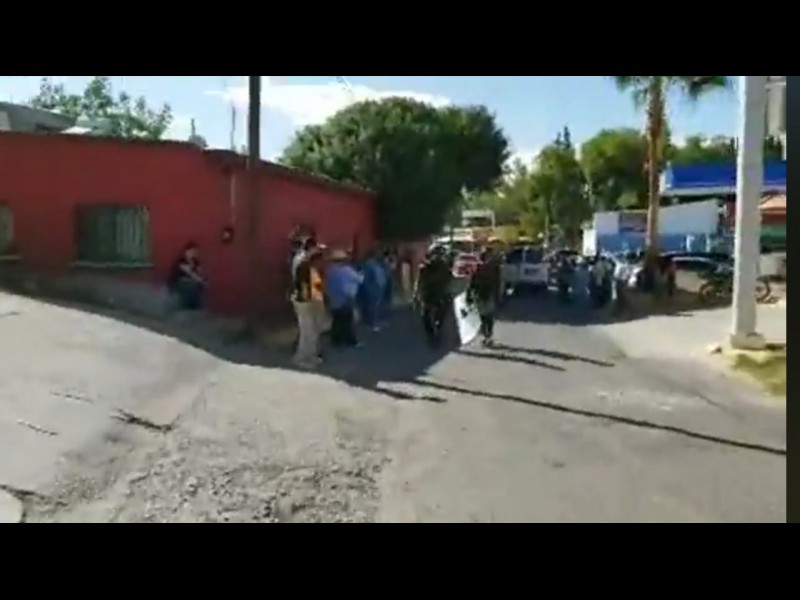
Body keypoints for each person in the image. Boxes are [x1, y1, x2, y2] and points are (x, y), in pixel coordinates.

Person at [291, 244, 324, 368]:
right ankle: (301, 359)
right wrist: (312, 302)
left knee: (311, 332)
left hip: (305, 301)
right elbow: (304, 289)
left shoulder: (307, 267)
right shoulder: (304, 268)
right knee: (307, 332)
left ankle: (310, 356)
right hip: (304, 303)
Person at [414, 245, 453, 347]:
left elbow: (419, 283)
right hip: (436, 296)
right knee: (434, 317)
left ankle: (434, 334)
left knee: (429, 317)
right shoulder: (443, 268)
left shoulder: (427, 268)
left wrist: (417, 296)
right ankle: (436, 333)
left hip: (433, 296)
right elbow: (420, 283)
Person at [325, 249, 363, 348]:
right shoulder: (347, 270)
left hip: (334, 299)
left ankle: (336, 340)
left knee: (337, 320)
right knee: (348, 321)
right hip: (346, 298)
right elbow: (360, 279)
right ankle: (351, 340)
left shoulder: (330, 271)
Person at [468, 248, 501, 346]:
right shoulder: (493, 267)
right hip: (486, 293)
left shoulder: (479, 267)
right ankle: (487, 336)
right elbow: (497, 282)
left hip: (481, 294)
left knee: (484, 316)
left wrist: (470, 294)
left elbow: (472, 282)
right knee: (488, 316)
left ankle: (486, 336)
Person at [167, 242, 207, 310]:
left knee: (196, 285)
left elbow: (199, 273)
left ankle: (194, 306)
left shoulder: (196, 262)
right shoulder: (181, 261)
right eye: (190, 252)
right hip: (177, 284)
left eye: (194, 252)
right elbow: (190, 273)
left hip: (189, 285)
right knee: (190, 283)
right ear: (186, 252)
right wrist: (201, 281)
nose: (192, 254)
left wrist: (203, 280)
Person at [359, 249, 388, 332]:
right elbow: (367, 278)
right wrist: (369, 288)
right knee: (373, 306)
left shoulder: (379, 264)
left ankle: (376, 321)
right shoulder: (370, 264)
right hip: (373, 288)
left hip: (378, 287)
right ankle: (374, 323)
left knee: (377, 305)